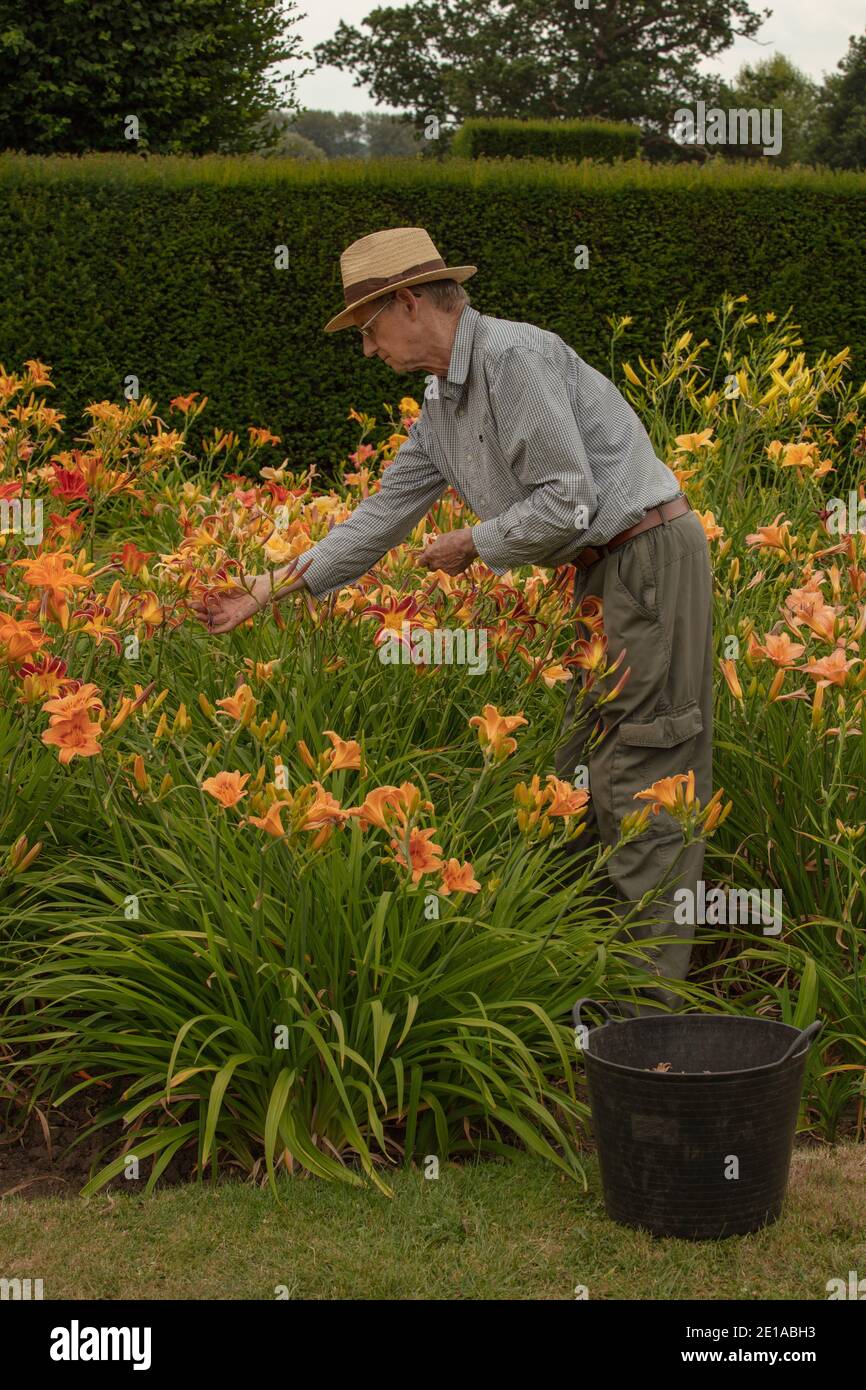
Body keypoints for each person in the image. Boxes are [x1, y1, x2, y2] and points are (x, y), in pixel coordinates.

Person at [192, 226, 714, 1010]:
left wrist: (477, 541)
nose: (367, 351)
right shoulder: (443, 401)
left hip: (645, 560)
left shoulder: (514, 358)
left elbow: (569, 499)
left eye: (369, 330)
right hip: (603, 576)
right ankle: (593, 980)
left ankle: (650, 1019)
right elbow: (385, 511)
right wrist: (266, 589)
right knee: (577, 772)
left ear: (408, 302)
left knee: (644, 769)